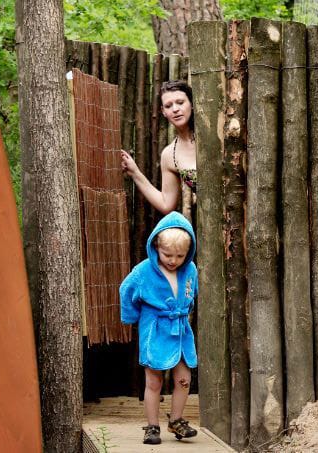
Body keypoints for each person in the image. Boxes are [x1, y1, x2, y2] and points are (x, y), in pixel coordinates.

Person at [120, 211, 199, 444]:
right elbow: (126, 290)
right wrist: (132, 316)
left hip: (180, 330)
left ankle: (176, 421)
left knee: (184, 378)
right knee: (154, 381)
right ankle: (152, 426)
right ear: (156, 245)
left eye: (180, 256)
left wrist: (187, 307)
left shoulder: (190, 270)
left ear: (188, 252)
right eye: (167, 255)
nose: (173, 260)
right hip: (155, 330)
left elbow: (192, 293)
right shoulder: (143, 271)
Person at [120, 80, 196, 214]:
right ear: (163, 111)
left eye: (180, 102)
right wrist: (135, 173)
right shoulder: (170, 154)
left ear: (192, 103)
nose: (175, 109)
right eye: (168, 106)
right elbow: (166, 204)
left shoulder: (214, 134)